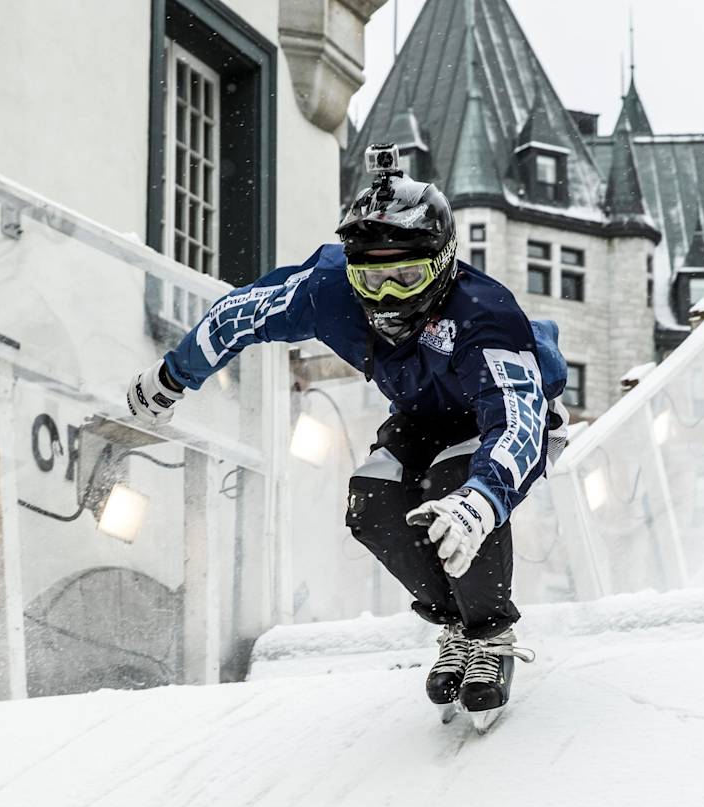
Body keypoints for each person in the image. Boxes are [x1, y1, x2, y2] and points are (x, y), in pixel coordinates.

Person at [126, 144, 568, 724]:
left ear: (443, 264)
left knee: (450, 484)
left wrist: (480, 502)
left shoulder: (483, 316)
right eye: (372, 278)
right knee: (372, 499)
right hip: (421, 412)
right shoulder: (330, 291)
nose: (387, 298)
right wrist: (170, 379)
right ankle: (454, 625)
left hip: (506, 422)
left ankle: (490, 635)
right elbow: (237, 316)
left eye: (406, 276)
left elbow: (516, 419)